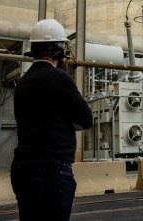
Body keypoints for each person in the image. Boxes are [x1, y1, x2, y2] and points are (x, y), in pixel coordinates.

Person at [11, 19, 93, 221]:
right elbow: (87, 118)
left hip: (23, 168)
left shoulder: (23, 82)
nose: (65, 50)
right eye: (63, 45)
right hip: (51, 169)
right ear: (54, 47)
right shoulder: (58, 78)